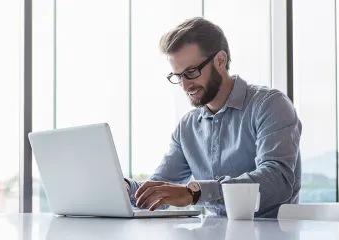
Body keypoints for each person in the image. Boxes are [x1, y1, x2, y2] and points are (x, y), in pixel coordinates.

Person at [124, 17, 302, 218]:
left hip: (273, 233)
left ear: (220, 60)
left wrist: (196, 192)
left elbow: (277, 180)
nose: (185, 86)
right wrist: (125, 188)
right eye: (178, 76)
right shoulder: (187, 128)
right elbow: (159, 189)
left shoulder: (270, 105)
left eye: (191, 72)